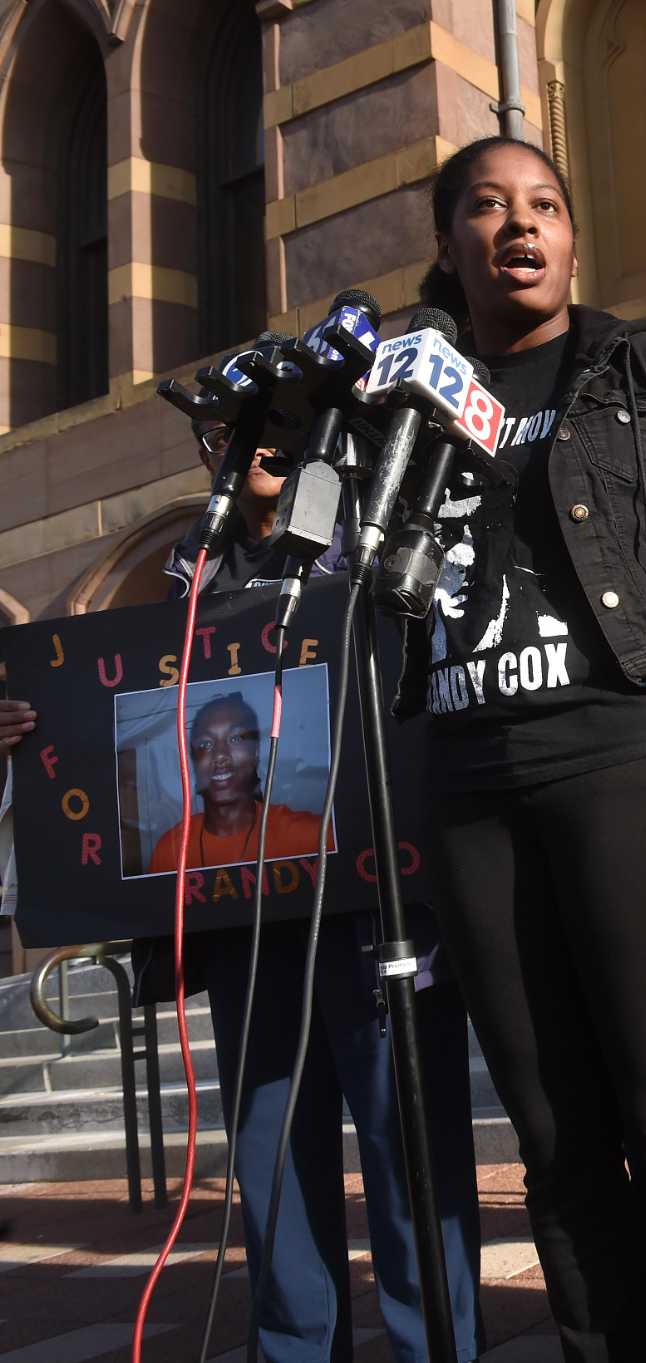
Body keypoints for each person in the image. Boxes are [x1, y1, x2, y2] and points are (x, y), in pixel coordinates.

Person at [410, 136, 646, 1362]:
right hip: (471, 786)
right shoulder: (403, 407)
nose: (520, 226)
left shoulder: (644, 369)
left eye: (545, 206)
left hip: (636, 765)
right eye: (487, 207)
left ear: (572, 239)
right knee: (555, 1135)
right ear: (448, 243)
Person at [4, 411, 487, 1363]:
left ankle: (438, 1347)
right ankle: (295, 1347)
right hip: (246, 933)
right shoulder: (189, 572)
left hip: (375, 915)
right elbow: (120, 736)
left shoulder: (380, 524)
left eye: (268, 424)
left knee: (407, 1161)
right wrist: (33, 728)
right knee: (270, 1166)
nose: (242, 444)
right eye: (223, 430)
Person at [146, 692, 327, 872]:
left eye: (235, 739)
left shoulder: (310, 837)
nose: (220, 756)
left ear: (255, 752)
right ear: (193, 760)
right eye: (206, 745)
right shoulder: (170, 853)